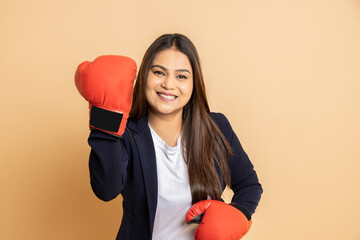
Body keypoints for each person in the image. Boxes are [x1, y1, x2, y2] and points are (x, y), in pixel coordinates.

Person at [75, 33, 263, 240]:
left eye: (181, 76)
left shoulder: (216, 127)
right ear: (145, 75)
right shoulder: (126, 132)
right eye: (159, 72)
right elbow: (105, 190)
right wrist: (106, 118)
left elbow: (249, 185)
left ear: (194, 84)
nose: (168, 84)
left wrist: (237, 215)